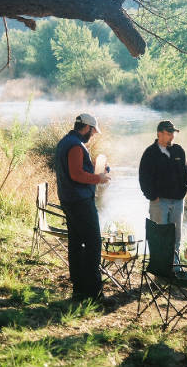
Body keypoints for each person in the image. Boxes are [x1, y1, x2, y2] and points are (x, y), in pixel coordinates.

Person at [55, 113, 111, 303]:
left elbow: (76, 171)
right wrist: (99, 178)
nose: (93, 135)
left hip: (69, 200)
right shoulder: (76, 146)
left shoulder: (66, 142)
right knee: (94, 243)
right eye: (93, 132)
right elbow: (76, 175)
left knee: (77, 244)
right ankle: (94, 293)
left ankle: (79, 290)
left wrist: (95, 168)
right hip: (80, 202)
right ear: (86, 127)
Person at [139, 120, 187, 270]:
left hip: (178, 201)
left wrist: (183, 192)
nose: (172, 137)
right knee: (160, 237)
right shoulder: (150, 153)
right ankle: (160, 270)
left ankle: (174, 269)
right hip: (159, 202)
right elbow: (143, 177)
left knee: (176, 238)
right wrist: (152, 196)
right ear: (159, 134)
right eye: (168, 133)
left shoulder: (179, 150)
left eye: (173, 133)